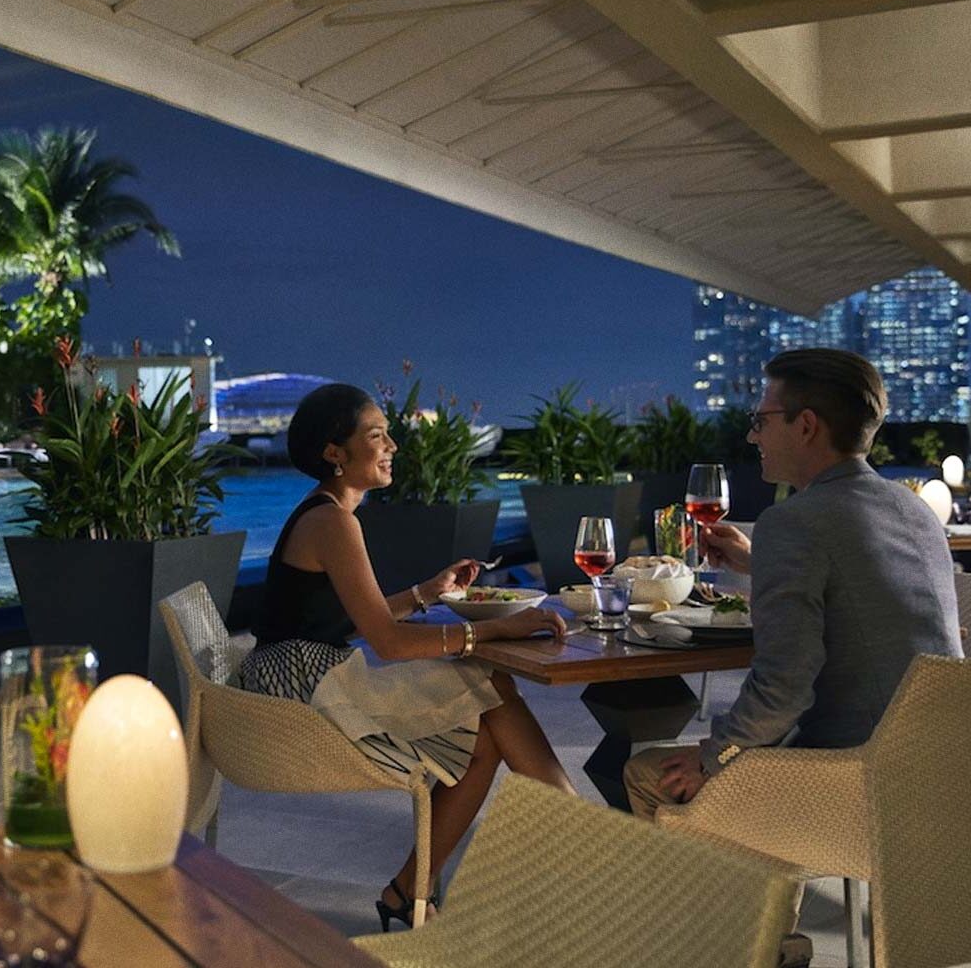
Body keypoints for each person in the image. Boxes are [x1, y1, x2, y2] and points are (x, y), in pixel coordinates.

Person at [239, 383, 574, 930]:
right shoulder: (333, 522)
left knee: (484, 721)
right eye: (376, 435)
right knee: (486, 689)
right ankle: (576, 831)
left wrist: (425, 593)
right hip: (301, 690)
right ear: (335, 452)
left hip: (300, 672)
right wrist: (496, 632)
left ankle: (408, 891)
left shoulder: (329, 514)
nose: (392, 444)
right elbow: (389, 645)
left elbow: (350, 615)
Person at [624, 348, 963, 819]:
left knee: (648, 774)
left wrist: (713, 755)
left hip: (855, 780)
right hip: (939, 768)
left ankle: (742, 893)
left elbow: (783, 689)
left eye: (760, 420)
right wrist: (757, 561)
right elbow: (861, 597)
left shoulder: (794, 522)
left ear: (804, 425)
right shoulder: (914, 510)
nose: (751, 434)